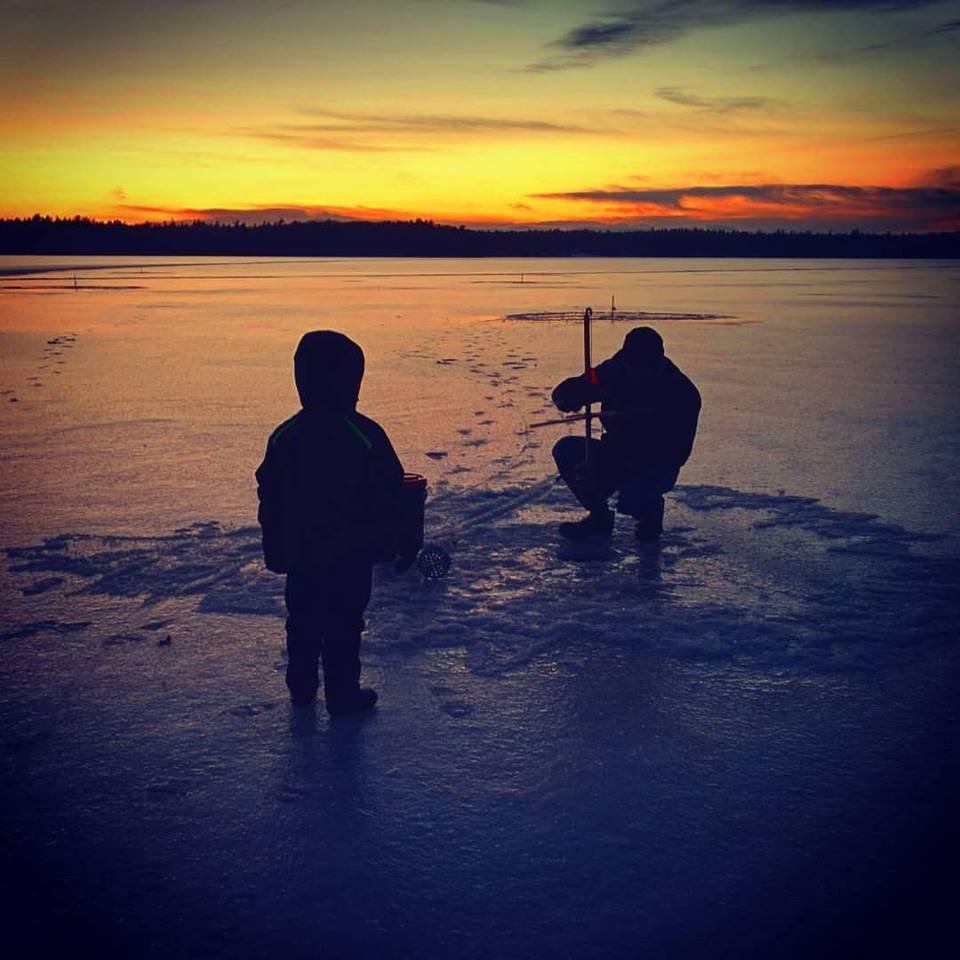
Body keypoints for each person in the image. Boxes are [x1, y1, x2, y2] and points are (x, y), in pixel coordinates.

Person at [256, 331, 410, 716]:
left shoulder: (284, 436)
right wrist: (397, 541)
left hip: (303, 556)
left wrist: (274, 547)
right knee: (343, 624)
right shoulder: (364, 434)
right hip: (349, 557)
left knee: (303, 621)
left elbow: (269, 499)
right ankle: (342, 695)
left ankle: (302, 687)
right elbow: (393, 493)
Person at [551, 326, 701, 542]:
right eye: (632, 366)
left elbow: (678, 453)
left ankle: (650, 510)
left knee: (632, 498)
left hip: (656, 463)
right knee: (566, 451)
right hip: (616, 452)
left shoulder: (681, 392)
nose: (636, 373)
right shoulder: (613, 370)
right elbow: (584, 383)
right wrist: (570, 395)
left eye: (644, 368)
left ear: (658, 363)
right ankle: (599, 517)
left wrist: (643, 435)